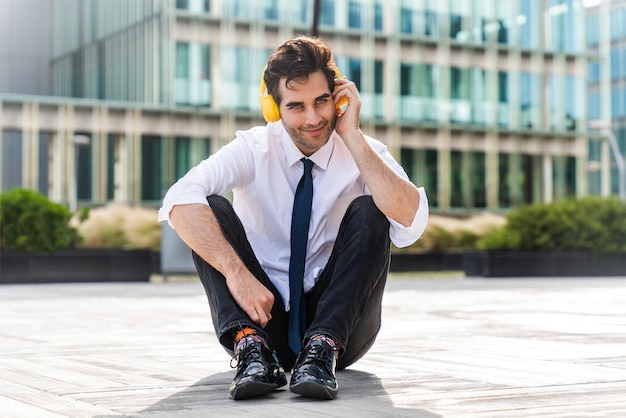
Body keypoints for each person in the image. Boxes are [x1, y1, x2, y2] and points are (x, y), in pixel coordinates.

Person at [158, 35, 428, 400]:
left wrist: (352, 135)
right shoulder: (253, 148)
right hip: (260, 316)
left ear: (339, 98)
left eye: (322, 101)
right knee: (209, 206)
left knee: (371, 210)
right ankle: (250, 349)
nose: (314, 118)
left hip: (343, 331)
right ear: (274, 109)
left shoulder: (363, 151)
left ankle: (321, 349)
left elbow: (412, 222)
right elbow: (178, 199)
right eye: (297, 106)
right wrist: (236, 273)